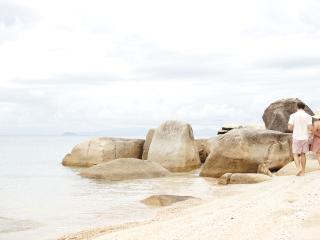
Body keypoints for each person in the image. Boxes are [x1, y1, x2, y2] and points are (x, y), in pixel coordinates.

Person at [288, 102, 313, 176]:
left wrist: (295, 127)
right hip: (305, 137)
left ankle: (298, 169)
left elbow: (290, 127)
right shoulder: (308, 116)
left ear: (297, 107)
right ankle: (303, 171)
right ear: (304, 107)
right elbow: (310, 128)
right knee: (303, 154)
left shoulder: (293, 116)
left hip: (296, 137)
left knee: (295, 154)